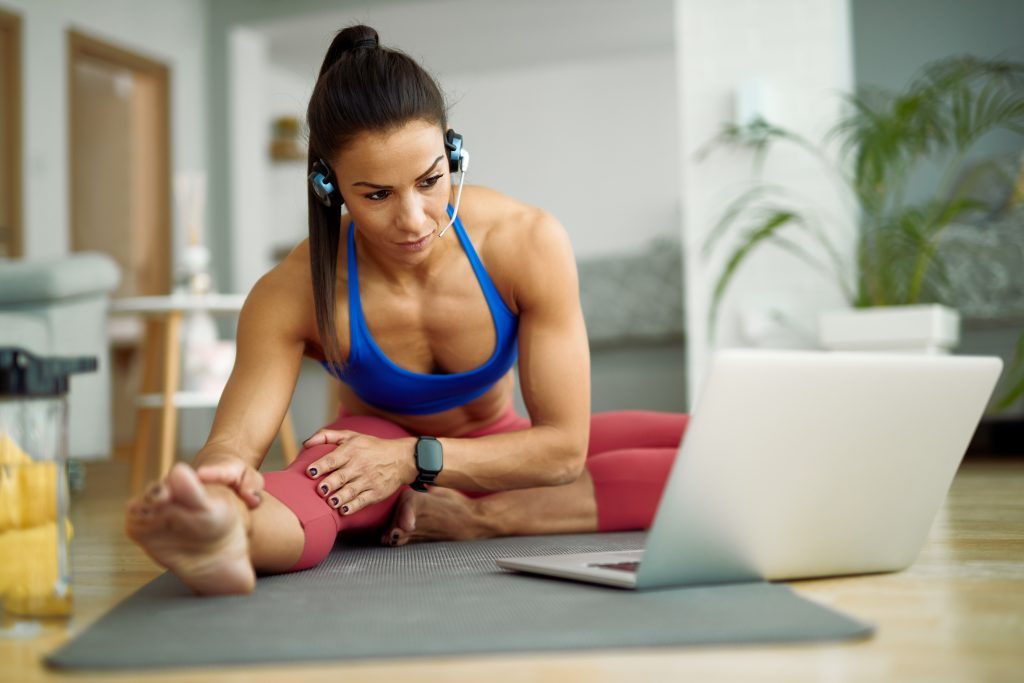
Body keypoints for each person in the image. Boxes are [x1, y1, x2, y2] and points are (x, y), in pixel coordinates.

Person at [125, 25, 689, 596]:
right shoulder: (292, 291)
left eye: (430, 180)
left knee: (714, 448)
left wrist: (414, 460)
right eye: (377, 194)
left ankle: (479, 517)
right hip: (368, 455)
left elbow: (562, 451)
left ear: (453, 152)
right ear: (329, 185)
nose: (414, 219)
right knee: (312, 482)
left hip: (499, 453)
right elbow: (234, 446)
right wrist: (220, 482)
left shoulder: (525, 240)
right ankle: (222, 536)